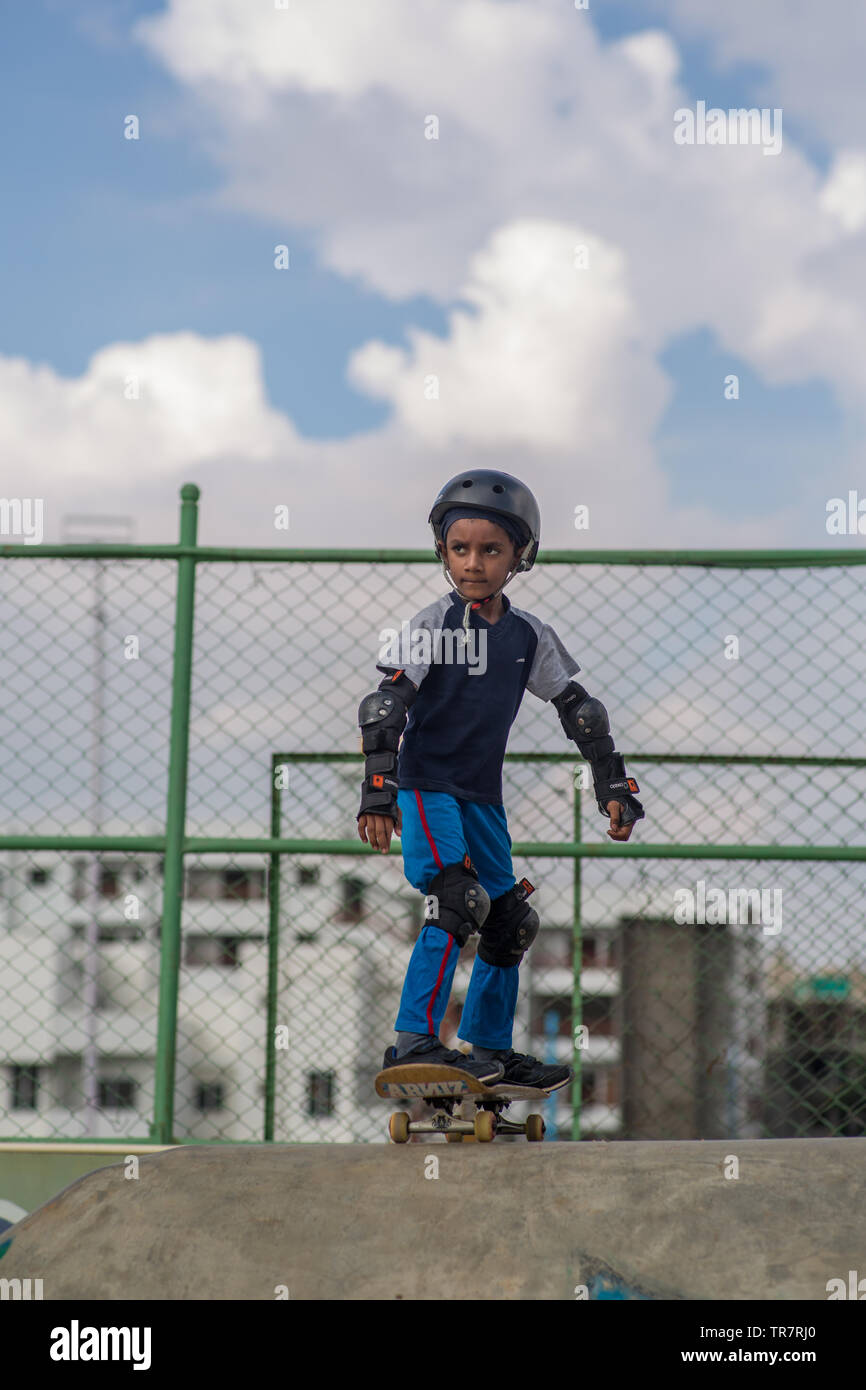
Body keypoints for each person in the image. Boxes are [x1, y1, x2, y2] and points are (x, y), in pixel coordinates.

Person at [356, 469, 645, 1093]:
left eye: (491, 550)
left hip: (482, 797)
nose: (474, 563)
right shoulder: (433, 625)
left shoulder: (530, 634)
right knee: (457, 899)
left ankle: (488, 1048)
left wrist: (612, 785)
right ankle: (414, 1041)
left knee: (509, 920)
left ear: (521, 555)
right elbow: (385, 707)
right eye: (460, 549)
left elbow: (579, 710)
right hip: (427, 785)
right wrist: (379, 789)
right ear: (442, 551)